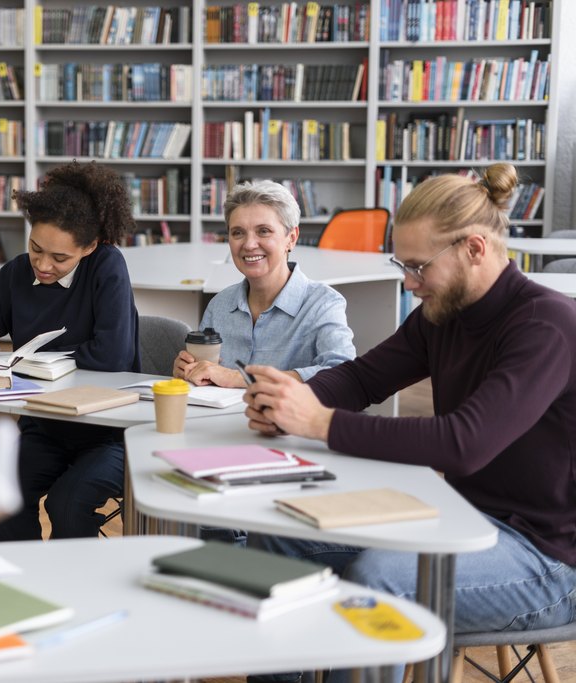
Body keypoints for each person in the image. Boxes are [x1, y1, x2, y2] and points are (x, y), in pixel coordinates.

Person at [244, 163, 576, 683]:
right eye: (404, 264)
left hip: (549, 558)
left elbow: (464, 444)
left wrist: (319, 422)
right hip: (462, 519)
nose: (408, 281)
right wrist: (289, 399)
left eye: (419, 266)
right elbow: (361, 379)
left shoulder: (547, 325)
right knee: (276, 538)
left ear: (473, 249)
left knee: (383, 580)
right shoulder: (442, 313)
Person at [0, 161, 140, 540]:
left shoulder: (107, 268)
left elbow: (113, 356)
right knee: (2, 495)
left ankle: (71, 587)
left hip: (109, 431)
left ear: (90, 247)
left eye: (60, 258)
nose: (44, 265)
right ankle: (28, 582)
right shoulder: (17, 273)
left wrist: (38, 361)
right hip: (43, 426)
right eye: (36, 248)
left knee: (67, 503)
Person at [173, 180, 355, 387]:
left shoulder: (323, 304)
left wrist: (239, 378)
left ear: (291, 238)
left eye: (264, 231)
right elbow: (206, 378)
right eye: (238, 233)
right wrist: (188, 371)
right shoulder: (219, 306)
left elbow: (343, 374)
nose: (249, 244)